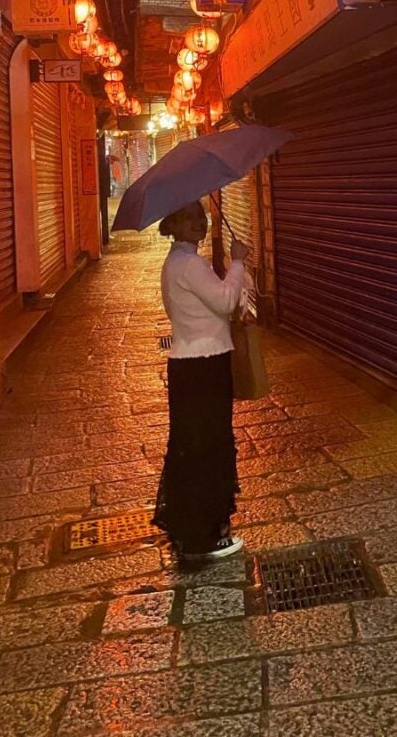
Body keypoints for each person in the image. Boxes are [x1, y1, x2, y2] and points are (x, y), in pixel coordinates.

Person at [153, 201, 249, 564]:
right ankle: (204, 538)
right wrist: (238, 261)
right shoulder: (189, 263)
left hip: (191, 365)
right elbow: (226, 300)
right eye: (187, 217)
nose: (198, 222)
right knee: (207, 449)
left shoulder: (178, 261)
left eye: (201, 216)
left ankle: (195, 530)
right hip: (204, 365)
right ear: (172, 224)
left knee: (193, 449)